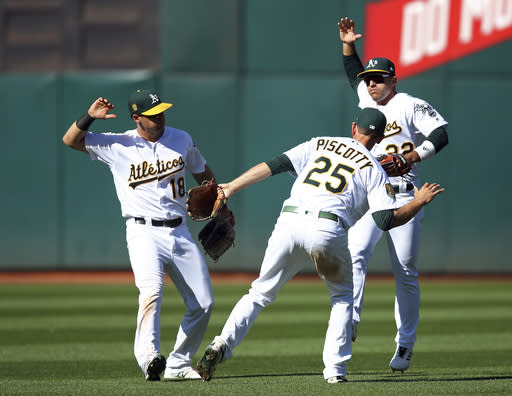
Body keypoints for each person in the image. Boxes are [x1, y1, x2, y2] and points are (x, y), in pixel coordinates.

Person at [194, 107, 444, 384]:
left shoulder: (319, 143)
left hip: (288, 222)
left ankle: (220, 344)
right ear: (381, 137)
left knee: (259, 293)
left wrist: (231, 187)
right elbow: (386, 220)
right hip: (327, 228)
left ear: (353, 128)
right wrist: (418, 201)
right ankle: (335, 372)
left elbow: (272, 166)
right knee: (342, 298)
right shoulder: (374, 169)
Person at [62, 89, 224, 381]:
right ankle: (149, 358)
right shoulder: (117, 143)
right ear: (137, 118)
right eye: (152, 115)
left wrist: (220, 201)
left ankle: (177, 364)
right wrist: (89, 117)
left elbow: (202, 173)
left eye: (161, 111)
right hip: (142, 231)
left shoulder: (181, 139)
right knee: (152, 292)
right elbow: (70, 140)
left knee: (203, 303)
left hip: (180, 230)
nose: (159, 117)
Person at [337, 17, 449, 372]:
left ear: (393, 80)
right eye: (368, 80)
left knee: (405, 271)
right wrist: (348, 45)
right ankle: (350, 321)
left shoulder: (410, 104)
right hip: (370, 194)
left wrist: (411, 156)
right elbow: (352, 70)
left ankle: (405, 344)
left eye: (378, 79)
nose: (371, 84)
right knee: (355, 253)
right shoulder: (365, 95)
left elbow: (441, 134)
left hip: (403, 194)